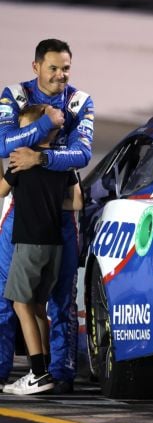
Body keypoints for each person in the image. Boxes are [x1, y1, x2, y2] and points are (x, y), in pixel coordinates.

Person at [0, 38, 94, 393]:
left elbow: (82, 154)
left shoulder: (81, 101)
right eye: (53, 68)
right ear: (36, 66)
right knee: (8, 298)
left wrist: (39, 157)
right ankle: (6, 370)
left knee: (60, 299)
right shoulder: (14, 95)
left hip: (62, 215)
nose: (60, 76)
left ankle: (60, 373)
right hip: (17, 214)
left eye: (66, 68)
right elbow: (1, 142)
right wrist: (46, 126)